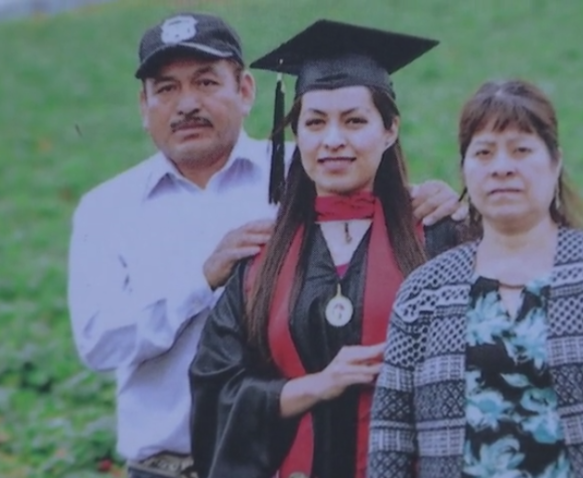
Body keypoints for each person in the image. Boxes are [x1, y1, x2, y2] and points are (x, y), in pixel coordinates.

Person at [66, 12, 463, 478]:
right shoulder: (108, 209)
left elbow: (382, 204)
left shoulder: (309, 168)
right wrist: (201, 280)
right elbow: (97, 343)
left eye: (207, 82)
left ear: (247, 90)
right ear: (144, 103)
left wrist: (442, 200)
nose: (187, 103)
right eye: (166, 88)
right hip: (166, 464)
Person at [187, 19, 466, 478]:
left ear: (390, 129)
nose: (333, 139)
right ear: (298, 134)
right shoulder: (260, 259)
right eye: (314, 122)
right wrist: (314, 387)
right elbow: (217, 389)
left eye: (355, 120)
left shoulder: (437, 238)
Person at [368, 79, 583, 478]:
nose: (502, 167)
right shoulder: (425, 291)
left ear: (555, 162)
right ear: (465, 167)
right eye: (483, 152)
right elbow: (392, 432)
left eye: (521, 150)